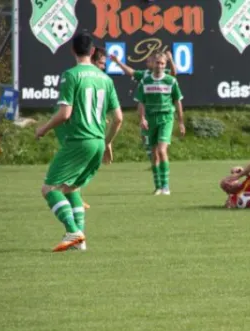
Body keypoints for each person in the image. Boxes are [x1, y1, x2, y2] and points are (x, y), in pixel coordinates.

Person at [35, 33, 123, 251]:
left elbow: (65, 114)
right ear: (92, 52)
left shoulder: (71, 75)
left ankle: (73, 231)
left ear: (72, 51)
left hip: (79, 141)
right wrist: (108, 142)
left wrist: (43, 129)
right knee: (72, 188)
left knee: (49, 188)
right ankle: (79, 242)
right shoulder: (106, 79)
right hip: (98, 142)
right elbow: (119, 118)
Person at [52, 46, 107, 211]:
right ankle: (68, 192)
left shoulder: (95, 78)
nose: (103, 67)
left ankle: (72, 192)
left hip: (79, 126)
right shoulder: (82, 77)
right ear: (92, 59)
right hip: (70, 125)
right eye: (101, 63)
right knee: (78, 158)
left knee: (81, 159)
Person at [134, 52, 185, 195]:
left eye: (163, 63)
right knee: (154, 155)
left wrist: (181, 122)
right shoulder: (145, 81)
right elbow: (141, 102)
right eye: (157, 63)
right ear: (152, 64)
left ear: (165, 65)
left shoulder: (171, 81)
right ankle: (158, 186)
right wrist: (142, 119)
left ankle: (166, 186)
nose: (160, 66)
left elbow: (178, 101)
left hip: (166, 118)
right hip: (151, 120)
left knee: (162, 151)